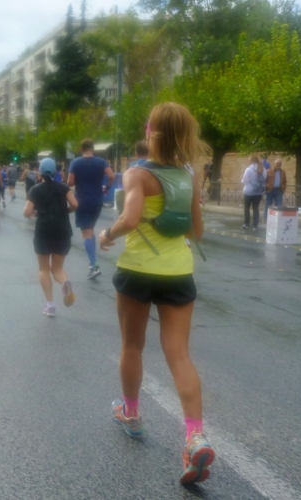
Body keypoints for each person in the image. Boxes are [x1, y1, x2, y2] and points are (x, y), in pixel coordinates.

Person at [98, 102, 214, 484]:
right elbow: (196, 232)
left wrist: (107, 234)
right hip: (178, 272)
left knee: (132, 345)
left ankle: (131, 414)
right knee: (179, 354)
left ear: (150, 132)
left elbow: (129, 219)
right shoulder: (188, 176)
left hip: (137, 271)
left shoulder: (137, 174)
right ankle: (195, 437)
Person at [24, 158, 79, 317]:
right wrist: (65, 211)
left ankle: (50, 306)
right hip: (62, 230)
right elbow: (75, 204)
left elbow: (26, 212)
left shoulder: (35, 189)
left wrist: (35, 213)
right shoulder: (64, 187)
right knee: (57, 269)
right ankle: (64, 282)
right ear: (56, 171)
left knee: (43, 269)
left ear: (39, 172)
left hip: (43, 231)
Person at [68, 139, 115, 279]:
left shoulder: (76, 163)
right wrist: (107, 187)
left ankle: (94, 266)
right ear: (92, 149)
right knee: (90, 229)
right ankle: (92, 262)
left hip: (82, 201)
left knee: (86, 233)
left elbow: (70, 182)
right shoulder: (101, 162)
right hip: (97, 201)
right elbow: (111, 176)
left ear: (81, 149)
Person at [241, 156, 266, 229]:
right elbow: (264, 178)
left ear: (251, 161)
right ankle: (255, 225)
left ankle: (246, 223)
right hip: (258, 192)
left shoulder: (248, 169)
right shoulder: (263, 169)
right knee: (255, 208)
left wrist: (241, 180)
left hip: (248, 191)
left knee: (246, 208)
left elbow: (244, 181)